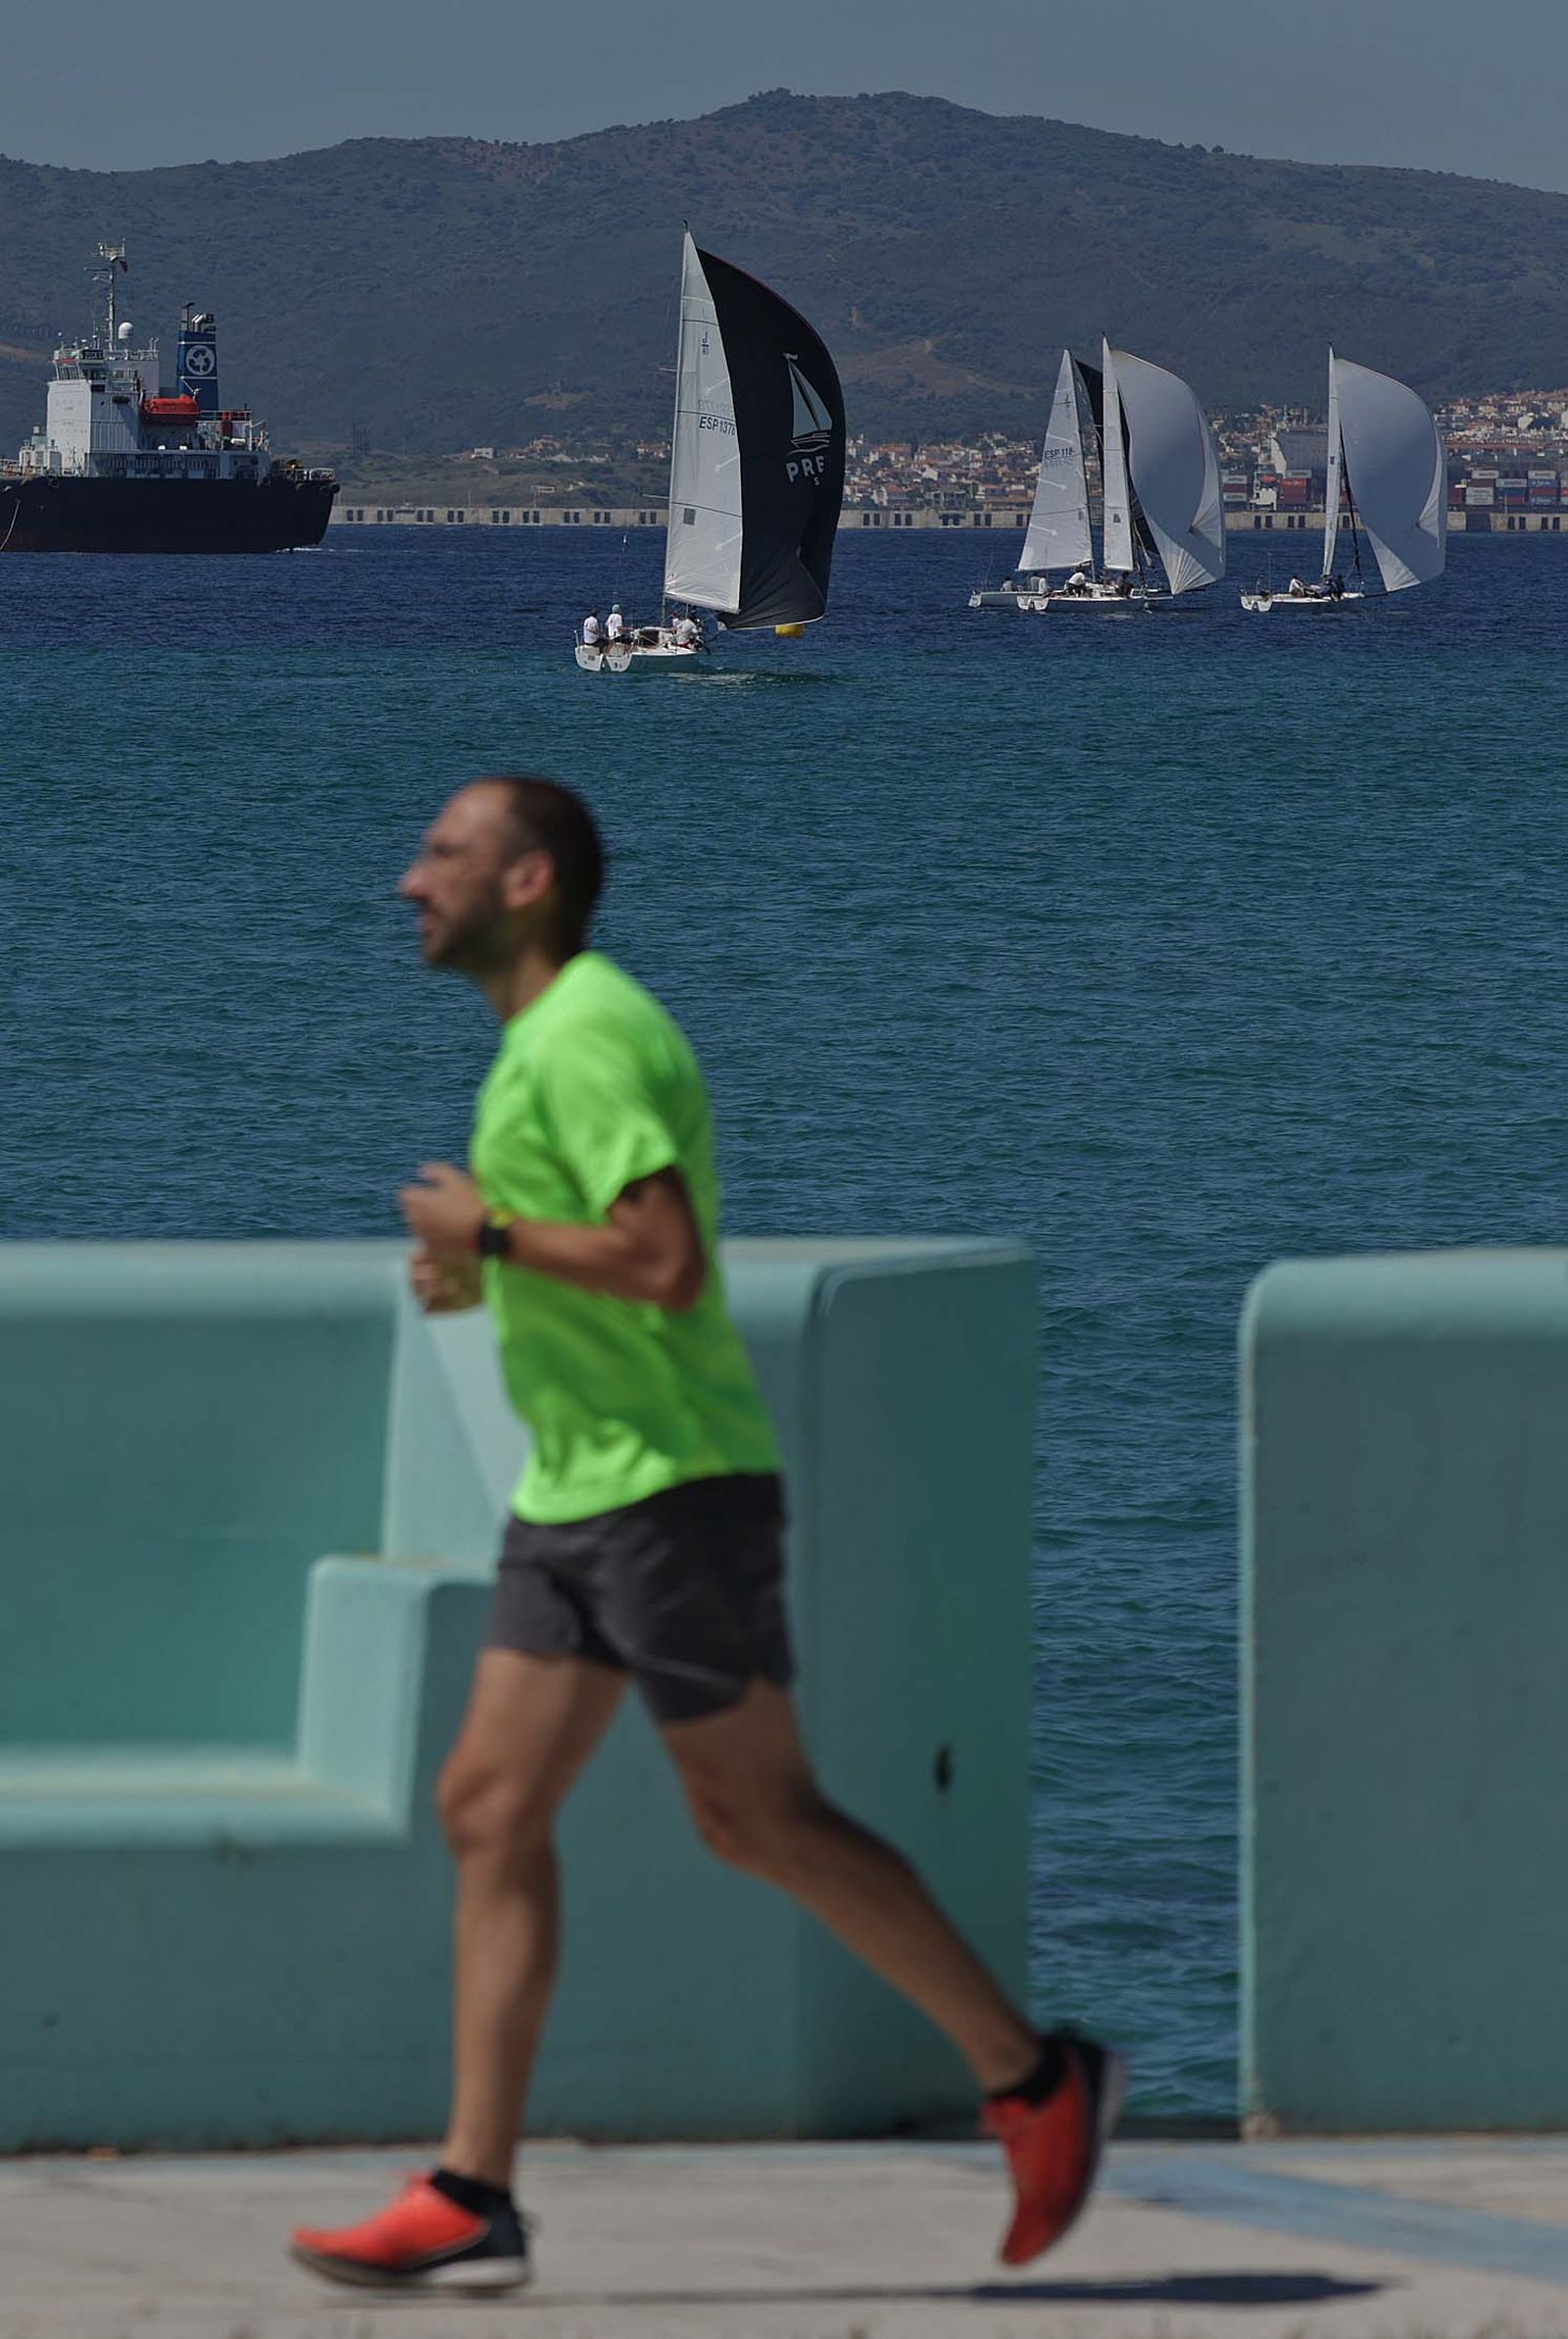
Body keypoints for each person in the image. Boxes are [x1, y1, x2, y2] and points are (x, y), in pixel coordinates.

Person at [288, 775, 1123, 2297]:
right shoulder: (540, 1042)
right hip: (578, 1490)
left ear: (529, 880)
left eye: (442, 856)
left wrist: (486, 1237)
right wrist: (500, 1278)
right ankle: (474, 2183)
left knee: (760, 1818)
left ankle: (1032, 2073)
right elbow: (598, 1254)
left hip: (670, 1490)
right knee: (487, 1801)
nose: (410, 882)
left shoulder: (592, 1033)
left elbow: (667, 1262)